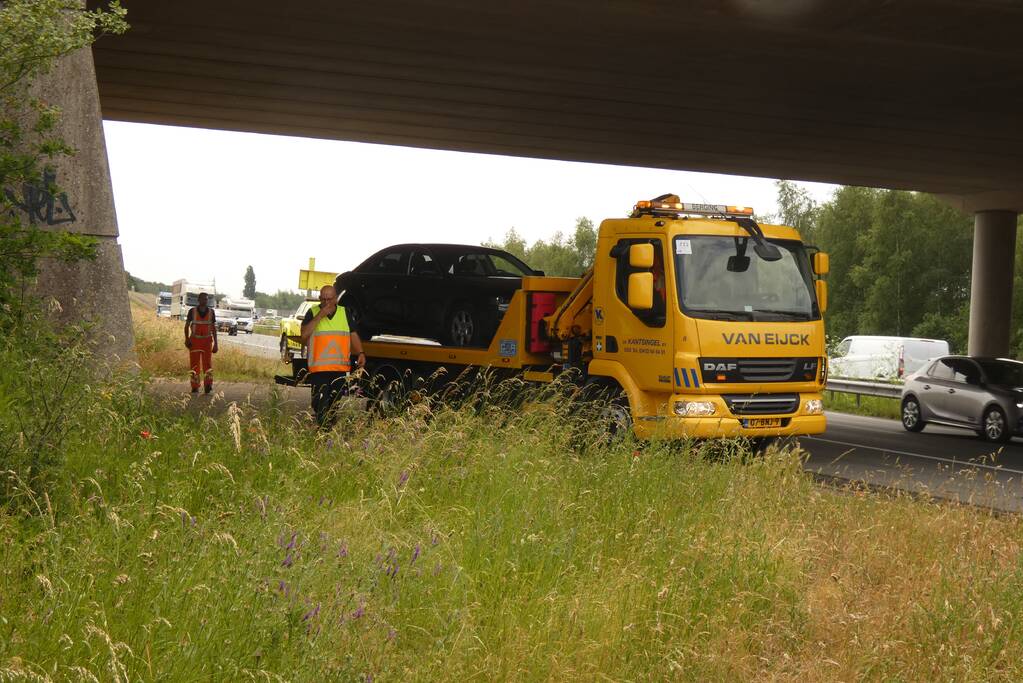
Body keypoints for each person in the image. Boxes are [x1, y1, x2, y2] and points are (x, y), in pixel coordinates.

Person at [300, 285, 366, 427]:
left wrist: (360, 352)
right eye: (323, 299)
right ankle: (324, 429)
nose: (326, 303)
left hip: (339, 369)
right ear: (319, 299)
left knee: (334, 403)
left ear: (336, 299)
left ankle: (327, 429)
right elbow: (304, 335)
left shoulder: (344, 313)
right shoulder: (312, 313)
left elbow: (352, 334)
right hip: (319, 370)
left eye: (329, 299)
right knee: (319, 402)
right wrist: (320, 316)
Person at [184, 292, 218, 394]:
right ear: (198, 300)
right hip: (194, 341)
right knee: (194, 365)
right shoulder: (192, 311)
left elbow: (214, 329)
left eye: (206, 299)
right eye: (203, 299)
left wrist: (216, 343)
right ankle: (195, 387)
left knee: (207, 365)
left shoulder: (211, 312)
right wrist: (187, 339)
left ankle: (208, 386)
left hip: (207, 341)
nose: (205, 301)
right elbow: (186, 326)